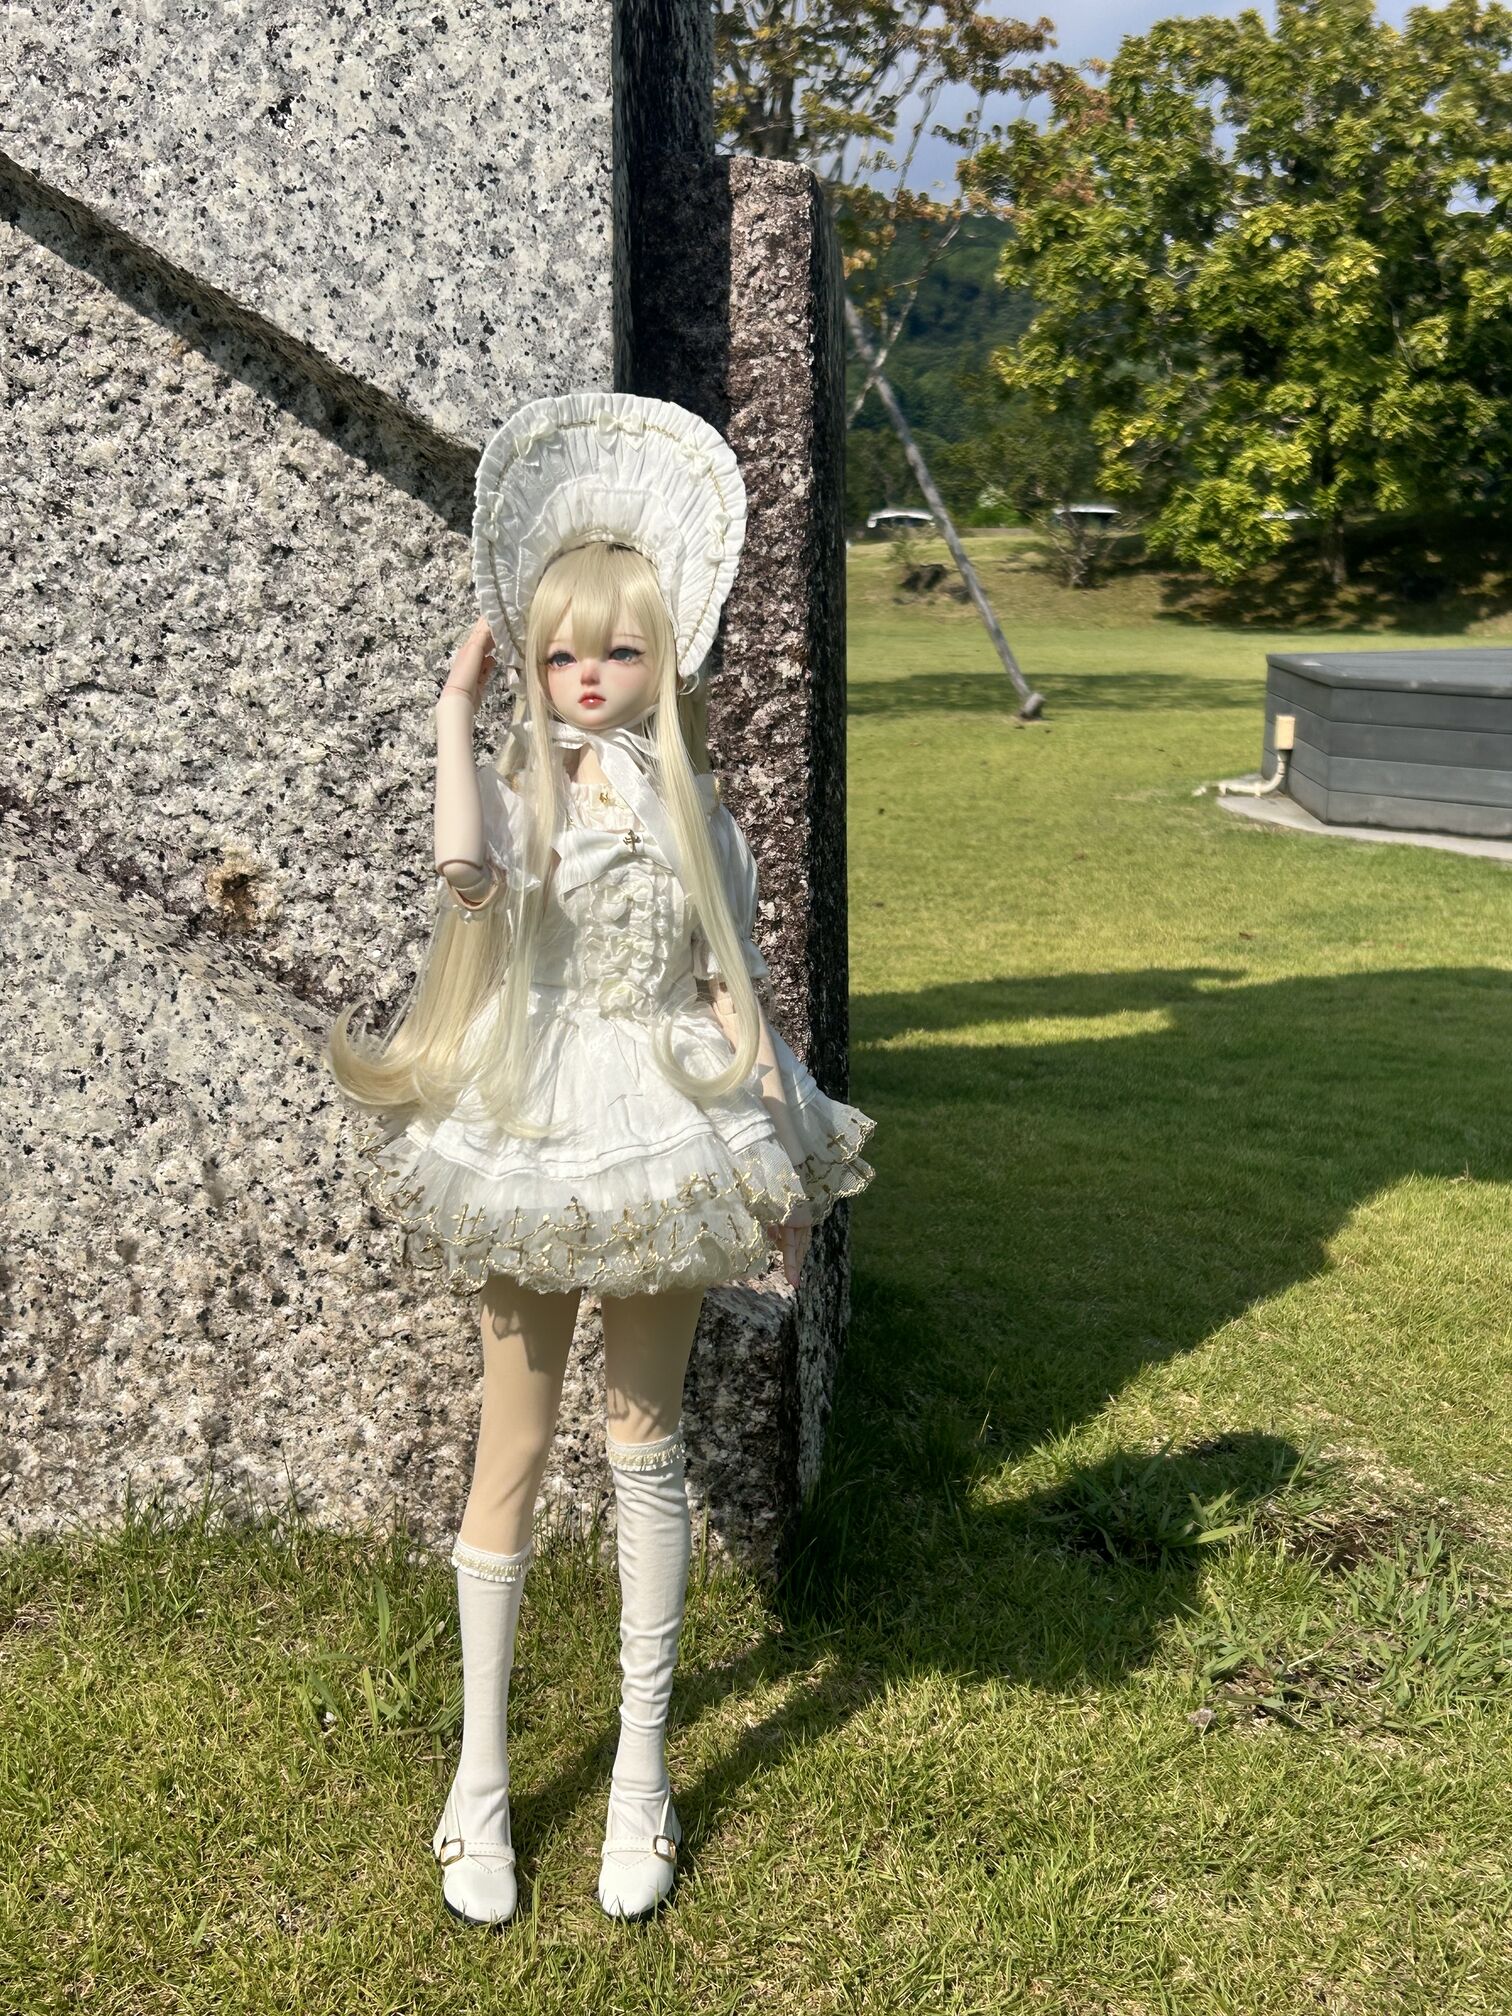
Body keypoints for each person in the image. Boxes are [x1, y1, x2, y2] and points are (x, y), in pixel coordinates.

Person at [324, 389, 876, 1927]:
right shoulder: (523, 798)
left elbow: (735, 997)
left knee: (648, 1445)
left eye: (618, 654)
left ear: (663, 659)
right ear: (533, 660)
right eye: (564, 656)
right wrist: (456, 719)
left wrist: (782, 1166)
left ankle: (643, 1769)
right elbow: (466, 873)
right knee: (510, 1446)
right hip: (531, 1116)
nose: (587, 679)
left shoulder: (701, 819)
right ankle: (480, 1780)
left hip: (657, 1126)